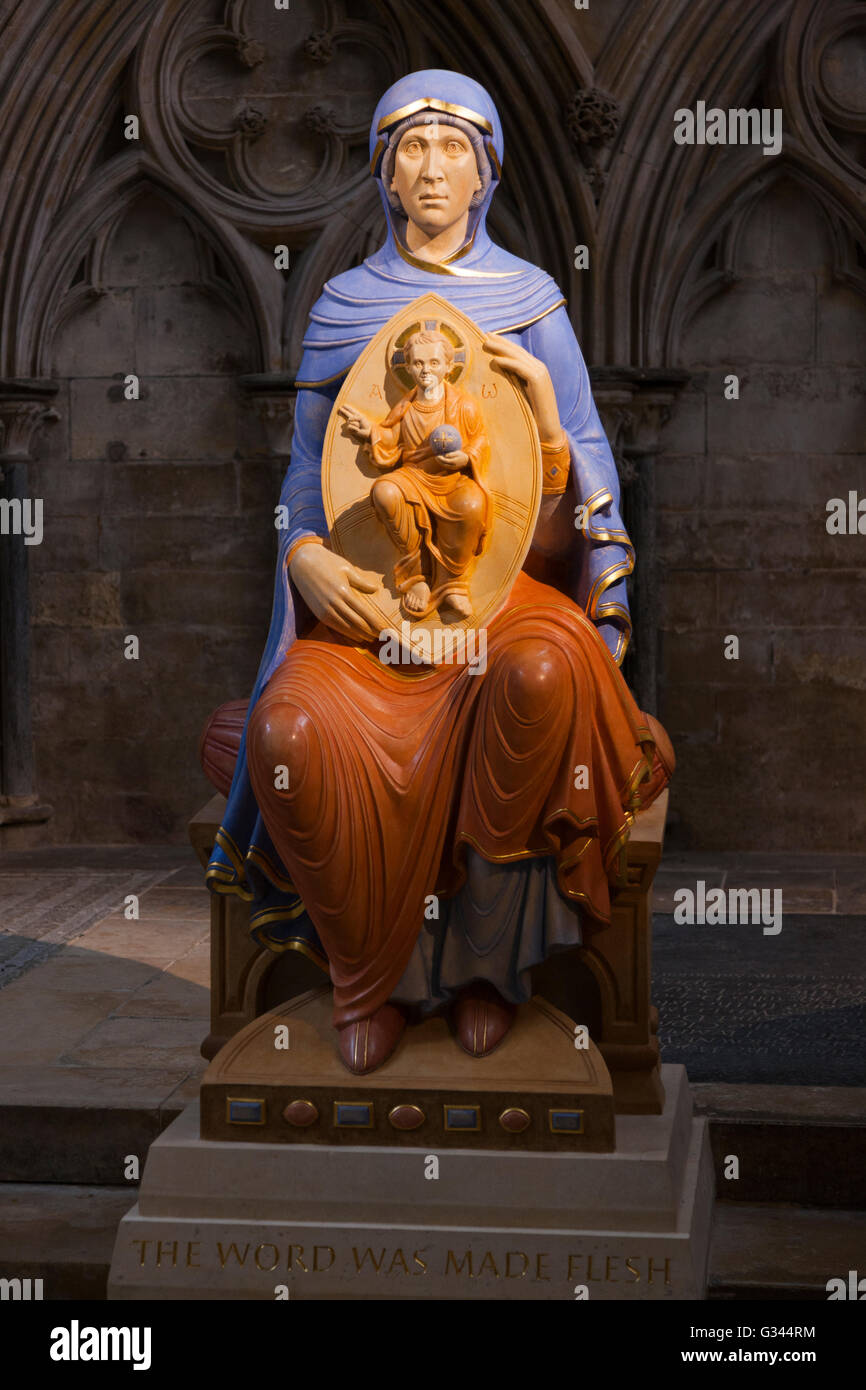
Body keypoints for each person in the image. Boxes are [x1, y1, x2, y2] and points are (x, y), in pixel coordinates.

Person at [204, 69, 674, 1076]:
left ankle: (483, 970)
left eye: (451, 147)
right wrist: (304, 555)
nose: (429, 167)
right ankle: (365, 977)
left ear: (483, 172)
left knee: (538, 677)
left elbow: (574, 503)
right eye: (409, 146)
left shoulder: (531, 303)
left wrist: (545, 420)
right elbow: (304, 475)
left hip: (502, 598)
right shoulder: (341, 307)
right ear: (382, 170)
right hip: (372, 610)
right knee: (289, 730)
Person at [339, 327, 491, 622]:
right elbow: (390, 439)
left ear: (448, 367)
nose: (425, 370)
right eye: (418, 363)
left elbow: (480, 442)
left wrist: (465, 457)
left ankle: (452, 584)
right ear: (407, 367)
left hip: (452, 480)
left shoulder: (464, 406)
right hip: (412, 477)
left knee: (472, 505)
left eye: (434, 363)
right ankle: (416, 574)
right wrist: (371, 430)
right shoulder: (406, 407)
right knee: (385, 491)